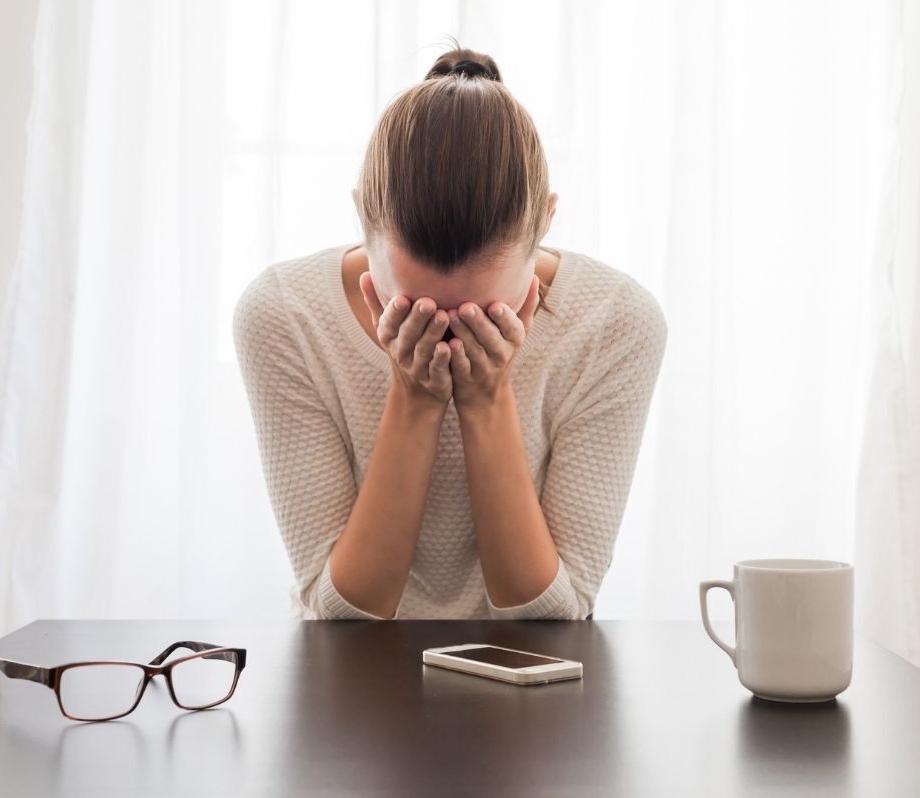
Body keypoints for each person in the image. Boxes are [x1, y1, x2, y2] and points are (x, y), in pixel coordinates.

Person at [233, 44, 667, 621]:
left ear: (544, 224)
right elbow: (343, 614)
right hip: (346, 689)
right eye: (415, 304)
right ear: (363, 217)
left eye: (478, 313)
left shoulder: (616, 324)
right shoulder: (284, 316)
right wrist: (414, 398)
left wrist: (488, 400)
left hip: (534, 696)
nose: (446, 333)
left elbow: (554, 616)